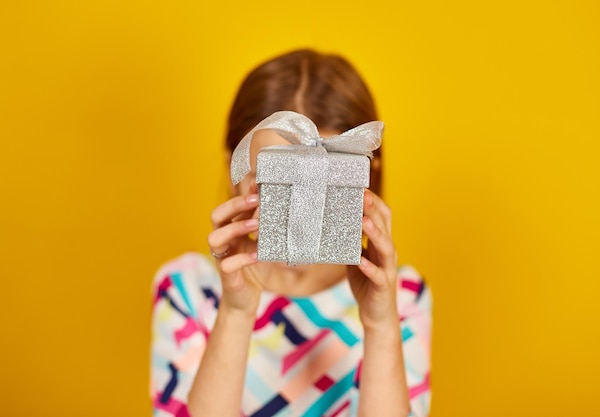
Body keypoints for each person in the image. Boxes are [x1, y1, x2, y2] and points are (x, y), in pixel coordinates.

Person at [150, 49, 432, 417]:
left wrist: (380, 325)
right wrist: (236, 313)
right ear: (234, 168)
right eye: (274, 180)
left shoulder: (401, 298)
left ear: (366, 175)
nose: (302, 212)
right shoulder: (186, 290)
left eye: (327, 185)